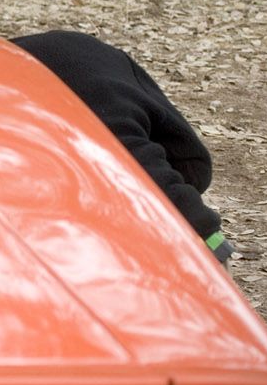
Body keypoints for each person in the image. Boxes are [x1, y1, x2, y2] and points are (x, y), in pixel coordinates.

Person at [12, 29, 235, 264]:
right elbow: (150, 177)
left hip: (1, 61)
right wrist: (210, 241)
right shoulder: (110, 128)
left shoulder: (106, 109)